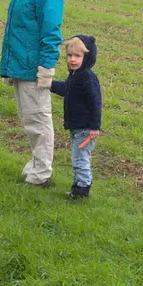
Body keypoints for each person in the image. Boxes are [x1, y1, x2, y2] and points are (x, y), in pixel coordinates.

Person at [0, 0, 64, 186]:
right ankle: (37, 163)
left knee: (38, 120)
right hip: (20, 63)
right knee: (29, 120)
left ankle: (42, 173)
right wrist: (8, 65)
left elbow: (51, 31)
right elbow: (17, 26)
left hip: (34, 66)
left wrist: (46, 68)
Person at [49, 34, 101, 199]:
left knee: (80, 159)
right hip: (77, 126)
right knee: (78, 157)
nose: (72, 59)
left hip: (85, 128)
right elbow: (67, 90)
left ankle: (82, 190)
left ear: (86, 57)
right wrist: (49, 84)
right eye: (70, 55)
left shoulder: (87, 77)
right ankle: (78, 186)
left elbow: (95, 103)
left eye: (77, 56)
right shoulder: (75, 76)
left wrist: (94, 127)